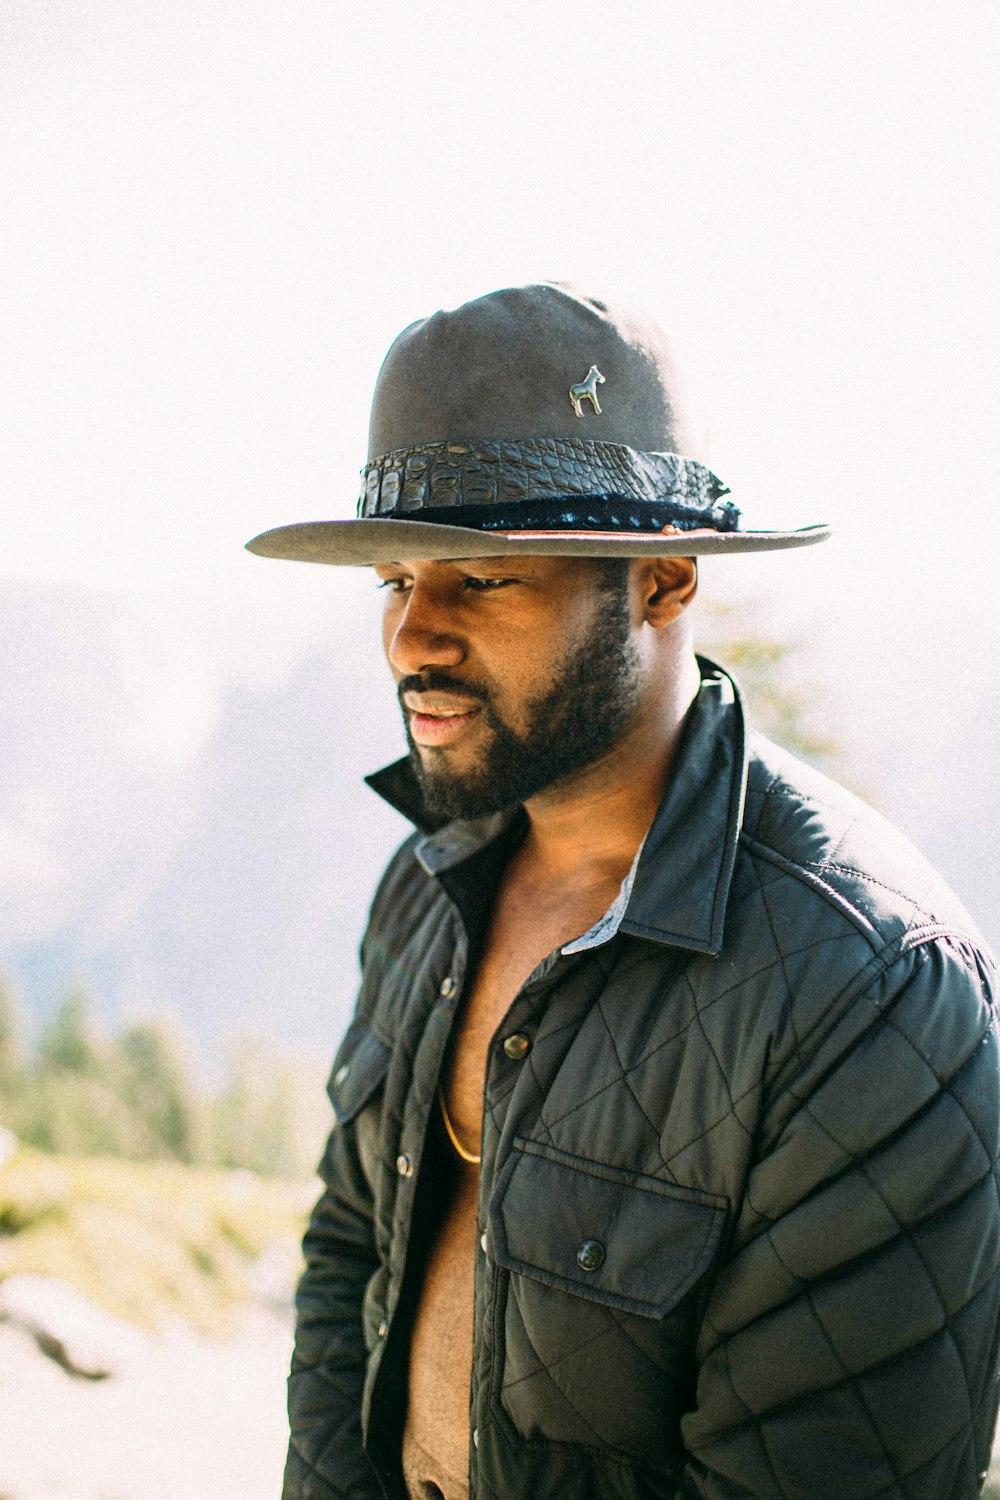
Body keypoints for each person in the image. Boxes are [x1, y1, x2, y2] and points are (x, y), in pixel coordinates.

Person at [247, 283, 1000, 1500]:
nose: (410, 638)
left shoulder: (867, 981)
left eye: (482, 582)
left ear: (662, 581)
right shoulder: (434, 875)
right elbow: (352, 1258)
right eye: (394, 579)